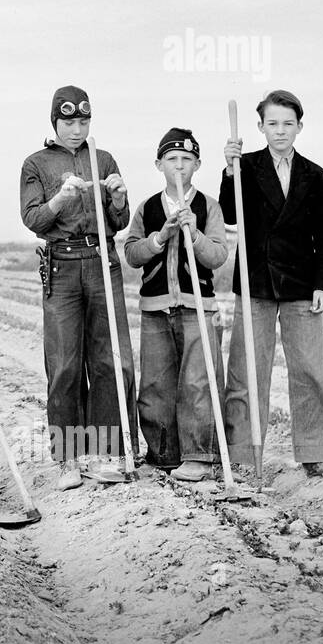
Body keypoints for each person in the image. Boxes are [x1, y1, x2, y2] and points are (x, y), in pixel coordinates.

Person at [220, 89, 323, 478]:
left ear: (300, 127)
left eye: (287, 124)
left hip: (301, 284)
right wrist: (230, 171)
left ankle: (319, 452)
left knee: (310, 368)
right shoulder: (245, 166)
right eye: (272, 124)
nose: (280, 131)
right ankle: (242, 455)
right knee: (246, 371)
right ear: (260, 127)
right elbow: (228, 214)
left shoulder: (315, 175)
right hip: (255, 281)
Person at [19, 85, 137, 491]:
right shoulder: (36, 163)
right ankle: (68, 458)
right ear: (54, 121)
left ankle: (106, 454)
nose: (76, 129)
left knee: (108, 360)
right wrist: (61, 199)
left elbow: (118, 223)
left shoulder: (101, 159)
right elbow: (33, 219)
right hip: (61, 265)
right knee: (65, 364)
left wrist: (119, 199)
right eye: (68, 121)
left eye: (83, 121)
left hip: (103, 261)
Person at [124, 129, 229, 483]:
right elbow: (131, 254)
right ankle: (163, 454)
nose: (179, 166)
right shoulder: (148, 207)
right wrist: (160, 237)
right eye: (172, 160)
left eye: (187, 160)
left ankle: (200, 455)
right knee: (155, 384)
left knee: (198, 382)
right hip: (155, 309)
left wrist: (194, 234)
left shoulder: (208, 206)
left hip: (197, 307)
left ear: (197, 164)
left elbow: (217, 256)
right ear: (159, 164)